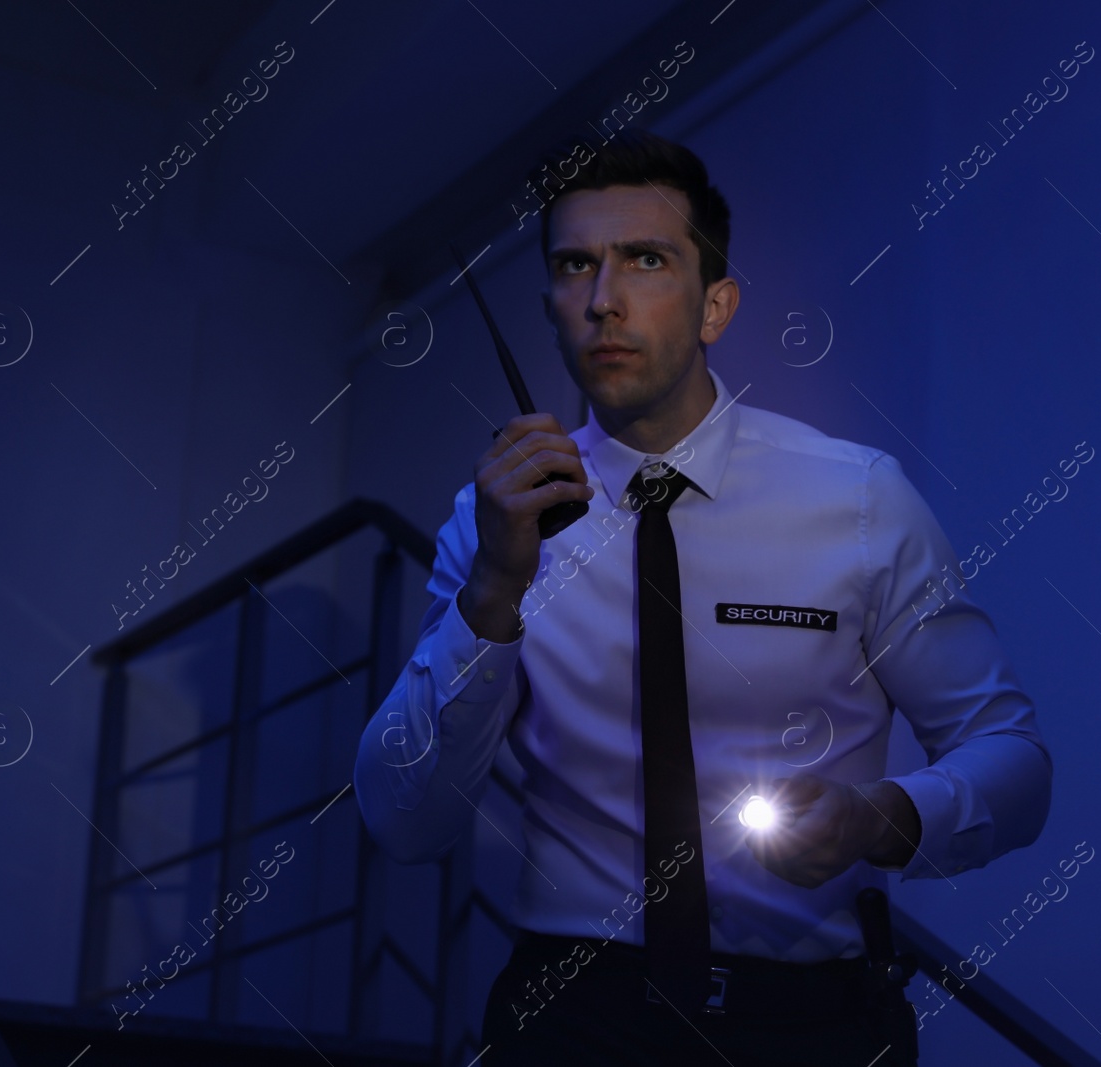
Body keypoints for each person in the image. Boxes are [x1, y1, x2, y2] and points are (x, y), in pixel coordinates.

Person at [353, 129, 1052, 1065]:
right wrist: (493, 586)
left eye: (645, 260)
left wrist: (876, 819)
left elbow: (1014, 758)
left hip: (811, 1023)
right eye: (575, 266)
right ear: (551, 305)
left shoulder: (856, 498)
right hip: (574, 1015)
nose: (605, 300)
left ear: (716, 304)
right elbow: (404, 820)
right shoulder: (491, 523)